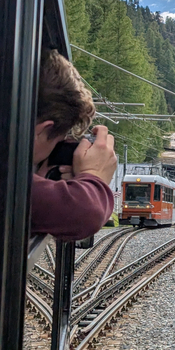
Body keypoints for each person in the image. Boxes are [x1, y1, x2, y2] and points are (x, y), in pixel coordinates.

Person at [30, 50, 117, 241]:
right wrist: (94, 175)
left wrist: (42, 178)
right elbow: (86, 213)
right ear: (43, 130)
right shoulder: (0, 176)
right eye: (58, 139)